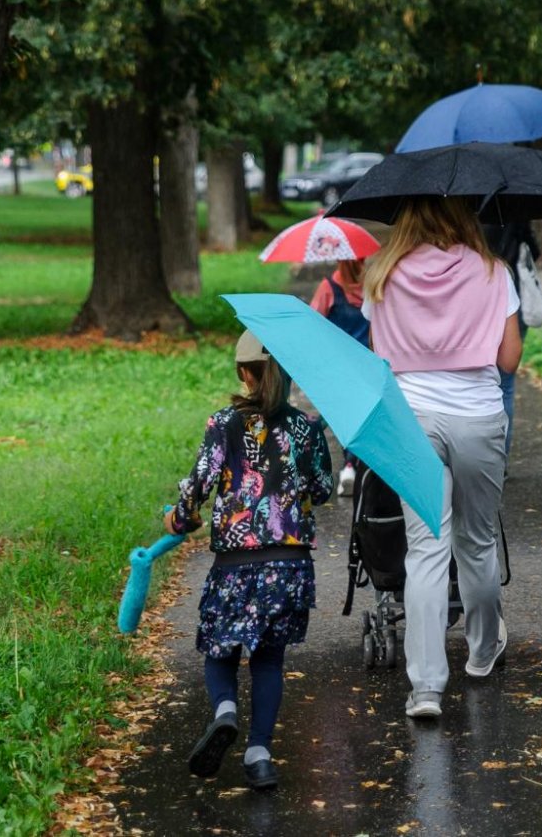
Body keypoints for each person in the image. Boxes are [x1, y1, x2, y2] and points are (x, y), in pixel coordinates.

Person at [361, 197, 522, 719]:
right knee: (475, 542)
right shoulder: (494, 271)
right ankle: (480, 652)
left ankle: (426, 687)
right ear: (464, 216)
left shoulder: (383, 275)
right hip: (477, 416)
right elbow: (509, 359)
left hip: (410, 421)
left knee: (425, 550)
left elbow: (376, 354)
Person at [164, 331, 333, 789]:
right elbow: (322, 490)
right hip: (289, 564)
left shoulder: (223, 424)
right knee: (268, 660)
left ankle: (225, 711)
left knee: (220, 648)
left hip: (235, 563)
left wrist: (179, 518)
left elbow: (197, 486)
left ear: (244, 371)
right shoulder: (307, 428)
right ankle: (259, 755)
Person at [309, 258, 370, 496]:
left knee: (347, 419)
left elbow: (313, 324)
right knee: (361, 418)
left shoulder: (328, 288)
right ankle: (353, 465)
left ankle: (349, 465)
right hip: (367, 364)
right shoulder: (372, 287)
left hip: (339, 367)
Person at [481, 220, 539, 458]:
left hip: (479, 299)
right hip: (514, 301)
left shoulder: (466, 211)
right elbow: (536, 252)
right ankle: (500, 458)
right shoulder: (514, 210)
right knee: (505, 385)